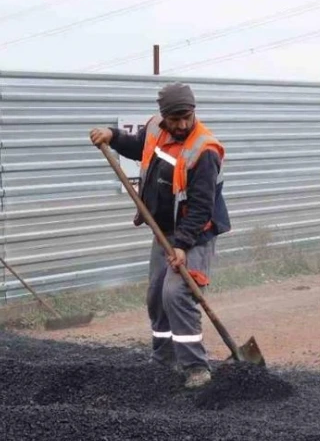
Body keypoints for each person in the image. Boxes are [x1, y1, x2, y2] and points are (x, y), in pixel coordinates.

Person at [89, 82, 231, 389]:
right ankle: (164, 359)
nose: (181, 125)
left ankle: (196, 368)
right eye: (174, 119)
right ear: (162, 116)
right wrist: (113, 136)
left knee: (176, 293)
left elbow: (202, 207)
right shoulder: (156, 127)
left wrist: (182, 245)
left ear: (194, 112)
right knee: (156, 294)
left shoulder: (204, 150)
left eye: (187, 117)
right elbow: (139, 145)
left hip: (195, 233)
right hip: (162, 228)